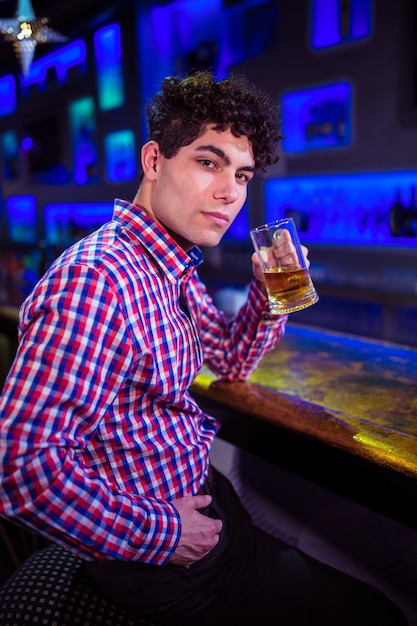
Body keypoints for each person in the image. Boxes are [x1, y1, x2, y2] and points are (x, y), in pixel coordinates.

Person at [0, 71, 407, 625]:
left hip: (209, 511)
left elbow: (232, 363)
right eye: (209, 162)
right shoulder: (96, 281)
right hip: (168, 564)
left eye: (242, 174)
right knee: (376, 614)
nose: (231, 193)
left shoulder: (171, 267)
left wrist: (269, 299)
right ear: (153, 160)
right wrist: (166, 535)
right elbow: (21, 469)